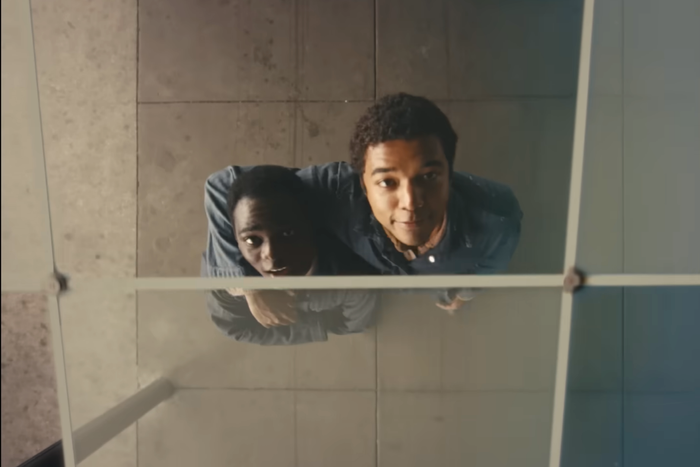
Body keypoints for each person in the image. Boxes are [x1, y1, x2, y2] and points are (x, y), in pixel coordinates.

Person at [203, 93, 523, 312]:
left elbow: (488, 269)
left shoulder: (497, 221)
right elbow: (222, 186)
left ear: (449, 174)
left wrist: (461, 295)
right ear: (362, 184)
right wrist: (248, 286)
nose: (410, 203)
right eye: (387, 182)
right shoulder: (337, 189)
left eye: (427, 177)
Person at [203, 165, 378, 345]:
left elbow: (356, 322)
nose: (271, 254)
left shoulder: (351, 279)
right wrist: (250, 289)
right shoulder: (224, 287)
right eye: (252, 240)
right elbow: (234, 327)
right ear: (236, 240)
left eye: (287, 234)